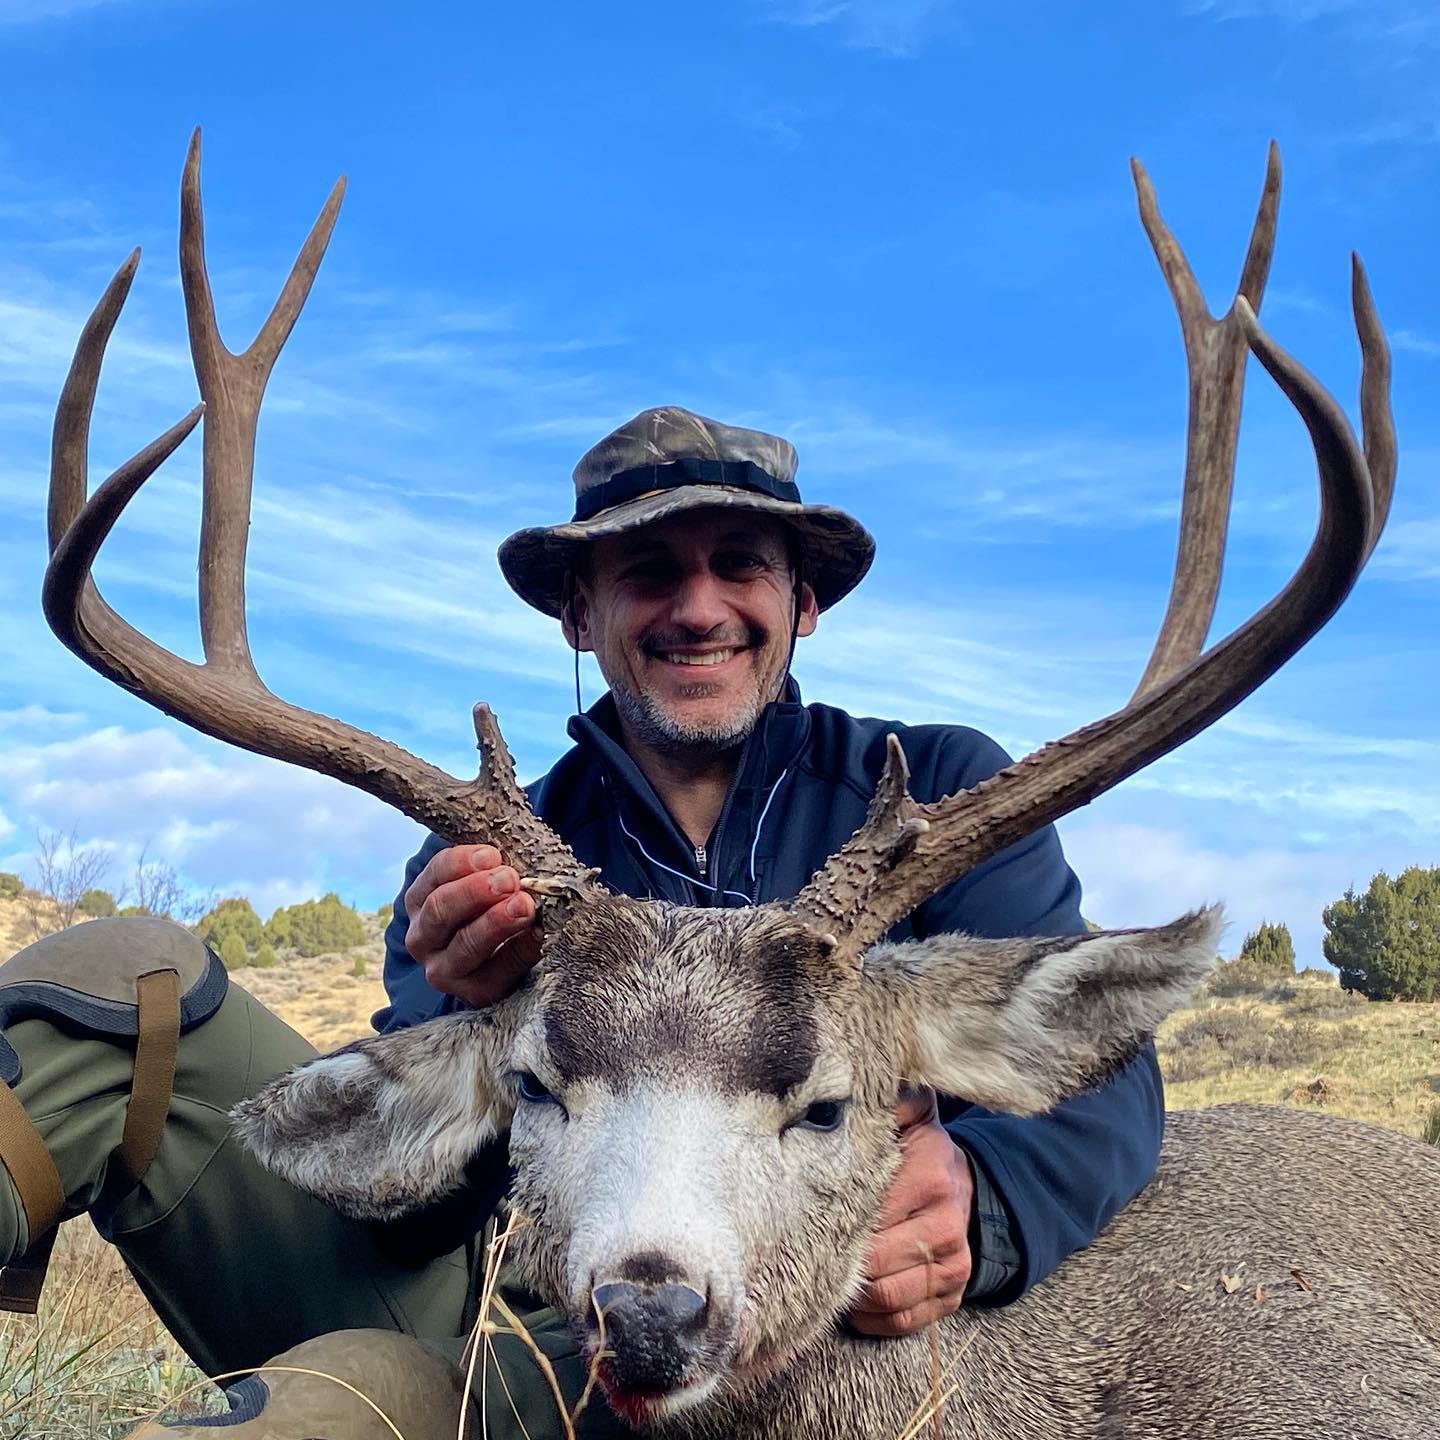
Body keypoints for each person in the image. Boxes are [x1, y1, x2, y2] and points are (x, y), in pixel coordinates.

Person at [0, 406, 1162, 1438]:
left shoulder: (929, 806)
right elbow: (408, 1213)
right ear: (580, 611)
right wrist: (470, 1009)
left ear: (801, 601)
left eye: (740, 566)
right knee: (121, 982)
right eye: (649, 570)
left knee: (335, 1407)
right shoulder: (489, 855)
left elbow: (1104, 1073)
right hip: (502, 1305)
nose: (699, 606)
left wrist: (988, 1207)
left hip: (766, 1343)